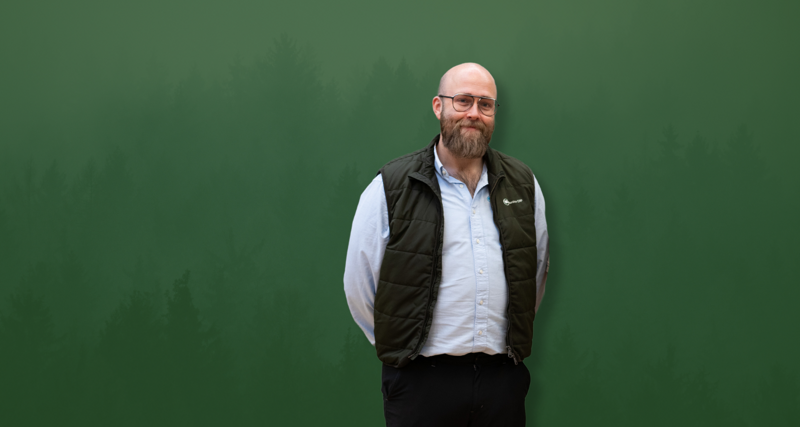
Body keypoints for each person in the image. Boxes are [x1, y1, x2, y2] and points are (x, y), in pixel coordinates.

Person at [343, 62, 550, 427]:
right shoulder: (392, 186)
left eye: (485, 104)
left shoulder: (524, 184)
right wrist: (401, 346)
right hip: (419, 382)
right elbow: (359, 284)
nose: (474, 113)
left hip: (502, 382)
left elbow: (534, 274)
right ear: (439, 106)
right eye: (463, 101)